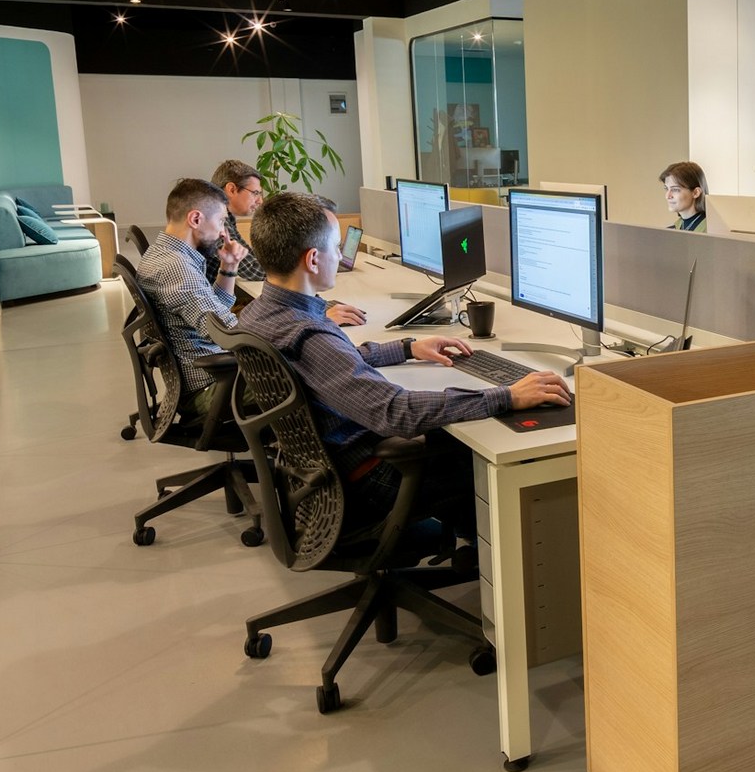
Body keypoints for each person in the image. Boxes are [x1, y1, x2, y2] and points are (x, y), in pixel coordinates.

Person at [238, 192, 570, 529]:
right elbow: (395, 412)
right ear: (312, 260)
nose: (339, 255)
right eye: (336, 248)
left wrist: (407, 348)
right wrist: (508, 396)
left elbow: (330, 365)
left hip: (323, 470)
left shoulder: (258, 313)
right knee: (496, 452)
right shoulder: (310, 335)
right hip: (369, 479)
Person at [210, 157, 365, 326]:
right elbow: (254, 270)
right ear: (232, 189)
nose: (260, 200)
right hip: (220, 316)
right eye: (255, 193)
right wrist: (297, 266)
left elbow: (252, 257)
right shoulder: (217, 225)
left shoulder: (225, 219)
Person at [138, 178, 244, 418]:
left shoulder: (164, 253)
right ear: (195, 219)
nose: (222, 232)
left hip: (210, 374)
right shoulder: (176, 268)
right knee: (303, 375)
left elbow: (212, 310)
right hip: (209, 386)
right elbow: (224, 332)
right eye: (221, 221)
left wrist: (229, 268)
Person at [660, 161, 708, 232]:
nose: (667, 196)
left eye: (675, 189)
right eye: (666, 188)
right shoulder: (672, 229)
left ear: (696, 193)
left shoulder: (712, 230)